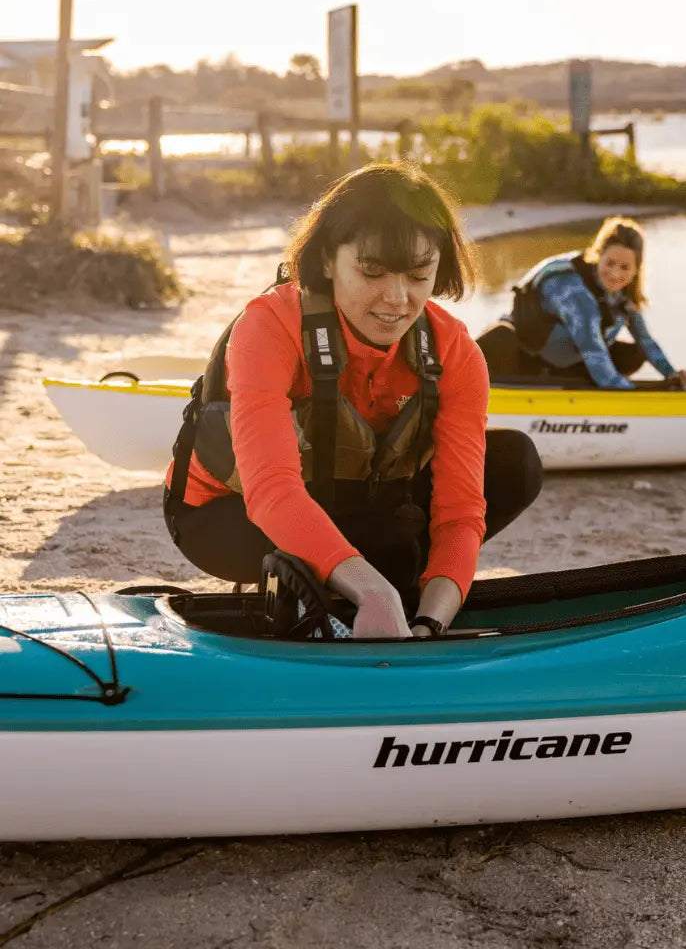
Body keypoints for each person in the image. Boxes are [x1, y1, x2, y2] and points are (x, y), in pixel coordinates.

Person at [163, 163, 542, 639]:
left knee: (515, 461)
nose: (397, 299)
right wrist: (376, 593)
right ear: (326, 261)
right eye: (372, 271)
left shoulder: (457, 353)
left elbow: (460, 512)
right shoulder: (269, 325)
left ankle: (365, 586)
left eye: (419, 274)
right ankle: (350, 586)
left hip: (354, 500)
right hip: (228, 516)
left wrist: (431, 621)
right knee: (380, 567)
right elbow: (272, 491)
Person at [475, 216, 686, 390]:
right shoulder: (574, 289)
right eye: (609, 263)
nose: (614, 274)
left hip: (561, 362)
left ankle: (570, 386)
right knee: (500, 338)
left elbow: (646, 341)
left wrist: (672, 375)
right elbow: (592, 348)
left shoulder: (624, 294)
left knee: (634, 353)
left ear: (636, 270)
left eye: (624, 268)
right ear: (598, 255)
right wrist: (629, 394)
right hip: (518, 358)